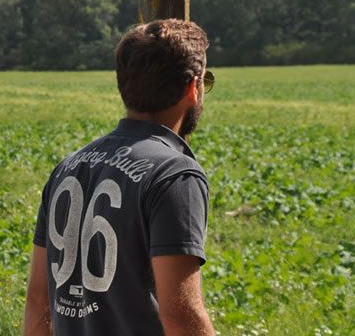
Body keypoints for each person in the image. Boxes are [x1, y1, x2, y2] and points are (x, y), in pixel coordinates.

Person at [24, 19, 216, 336]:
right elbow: (181, 316)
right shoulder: (175, 174)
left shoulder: (69, 166)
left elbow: (38, 301)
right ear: (192, 88)